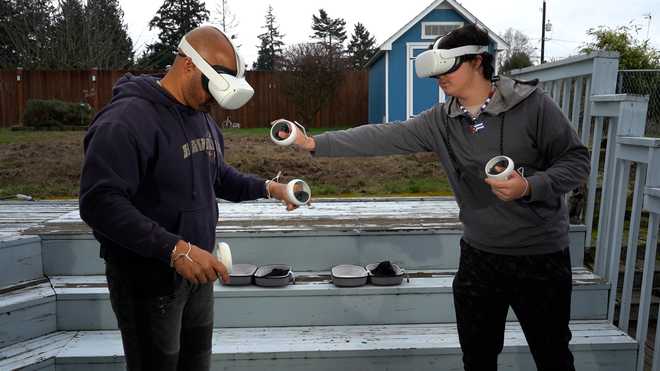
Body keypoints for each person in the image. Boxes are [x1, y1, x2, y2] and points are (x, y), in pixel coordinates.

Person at [278, 24, 588, 371]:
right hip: (480, 257)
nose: (440, 76)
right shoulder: (442, 121)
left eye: (450, 66)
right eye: (437, 70)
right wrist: (314, 143)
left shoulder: (533, 107)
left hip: (540, 257)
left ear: (477, 61)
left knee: (553, 357)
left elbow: (577, 161)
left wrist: (530, 187)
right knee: (477, 358)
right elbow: (384, 136)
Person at [79, 26, 297, 371]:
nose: (213, 101)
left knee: (196, 364)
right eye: (210, 90)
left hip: (196, 274)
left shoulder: (201, 118)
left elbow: (218, 175)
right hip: (148, 280)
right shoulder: (126, 120)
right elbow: (99, 202)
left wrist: (271, 188)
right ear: (189, 66)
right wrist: (175, 249)